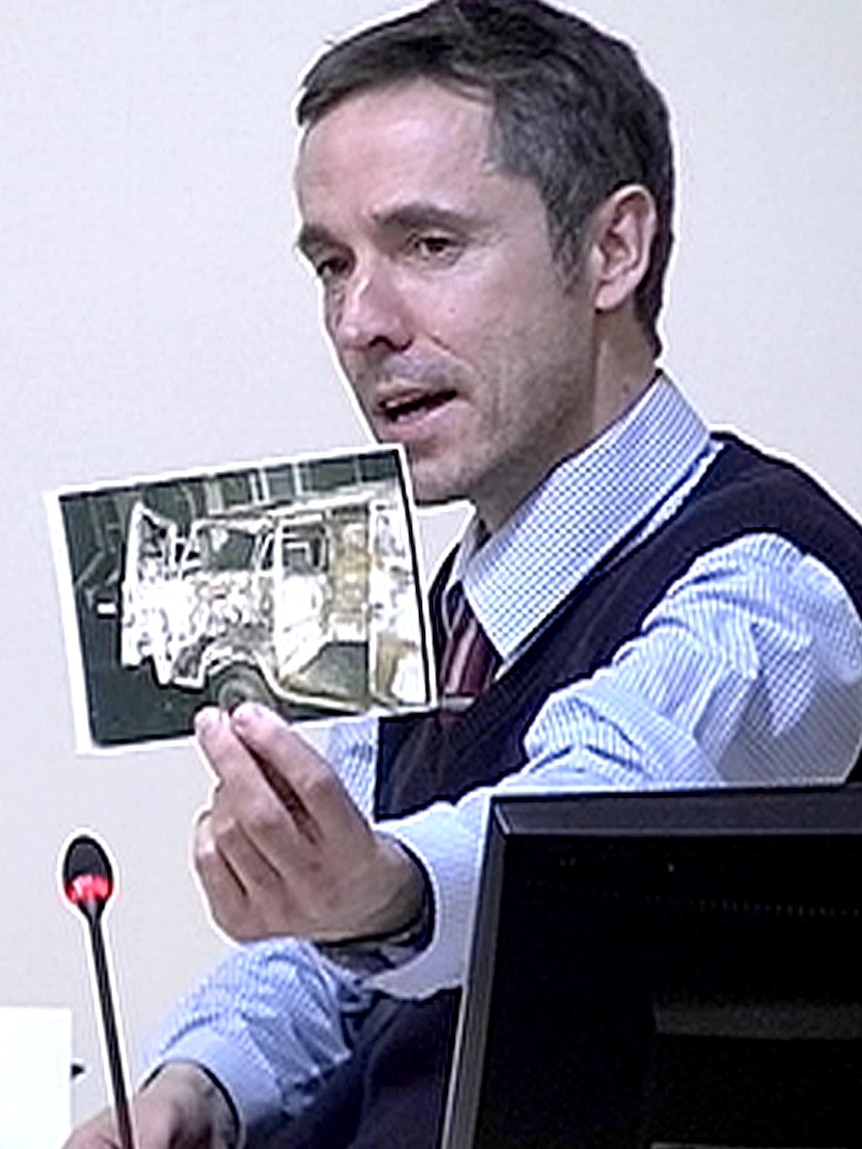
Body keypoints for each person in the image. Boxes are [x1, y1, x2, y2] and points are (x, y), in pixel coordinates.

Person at [66, 1, 862, 1147]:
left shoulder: (776, 589)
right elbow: (330, 959)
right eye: (332, 263)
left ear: (610, 251)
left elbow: (573, 836)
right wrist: (195, 1089)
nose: (359, 320)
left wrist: (379, 886)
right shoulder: (437, 609)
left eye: (428, 245)